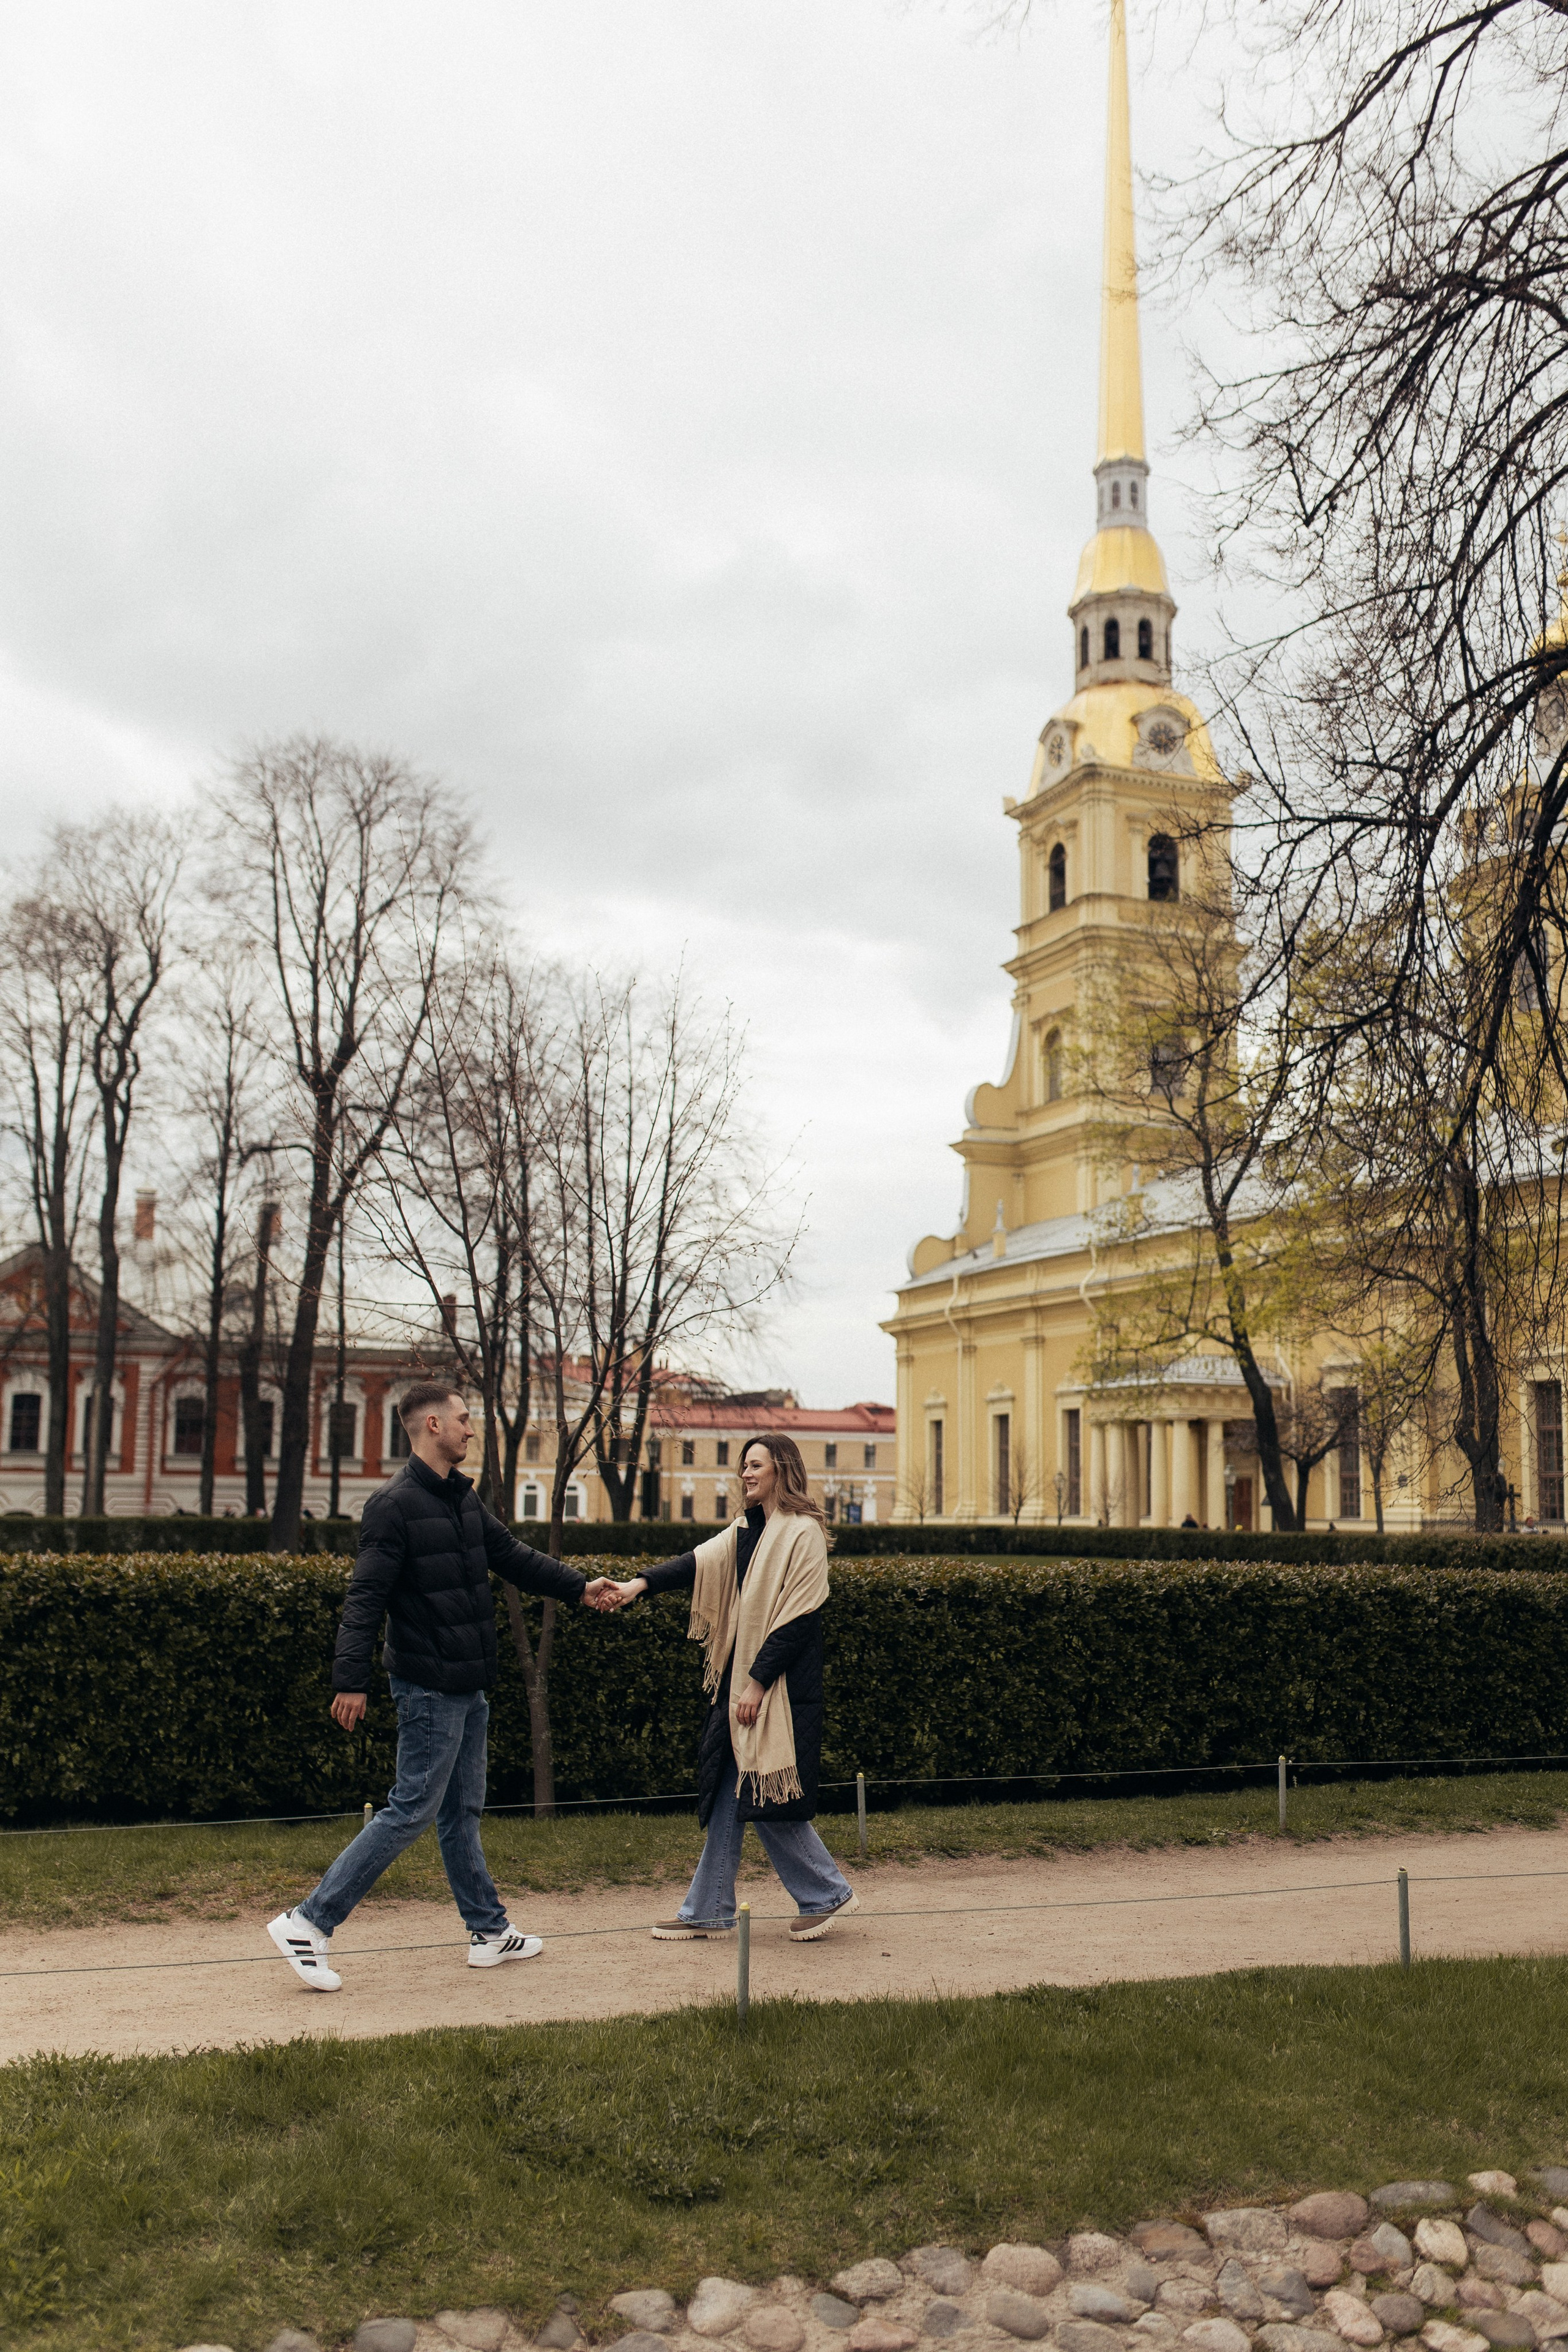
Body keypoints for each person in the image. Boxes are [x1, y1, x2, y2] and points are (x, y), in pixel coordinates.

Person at [267, 1381, 619, 1991]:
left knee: (460, 1814)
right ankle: (308, 1922)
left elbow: (511, 1556)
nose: (470, 1429)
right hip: (427, 1685)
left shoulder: (461, 1498)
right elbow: (365, 1599)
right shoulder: (393, 1505)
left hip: (468, 1682)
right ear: (431, 1425)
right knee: (411, 1810)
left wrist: (578, 1587)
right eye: (462, 1419)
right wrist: (350, 1679)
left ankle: (488, 1932)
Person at [604, 1432, 857, 1942]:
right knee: (733, 1788)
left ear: (780, 1469)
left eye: (755, 1465)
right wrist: (639, 1585)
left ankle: (825, 1892)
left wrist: (757, 1684)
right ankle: (709, 1906)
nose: (745, 1473)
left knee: (762, 1790)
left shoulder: (801, 1533)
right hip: (744, 1683)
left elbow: (798, 1620)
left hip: (778, 1688)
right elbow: (697, 1562)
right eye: (743, 1465)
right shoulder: (746, 1528)